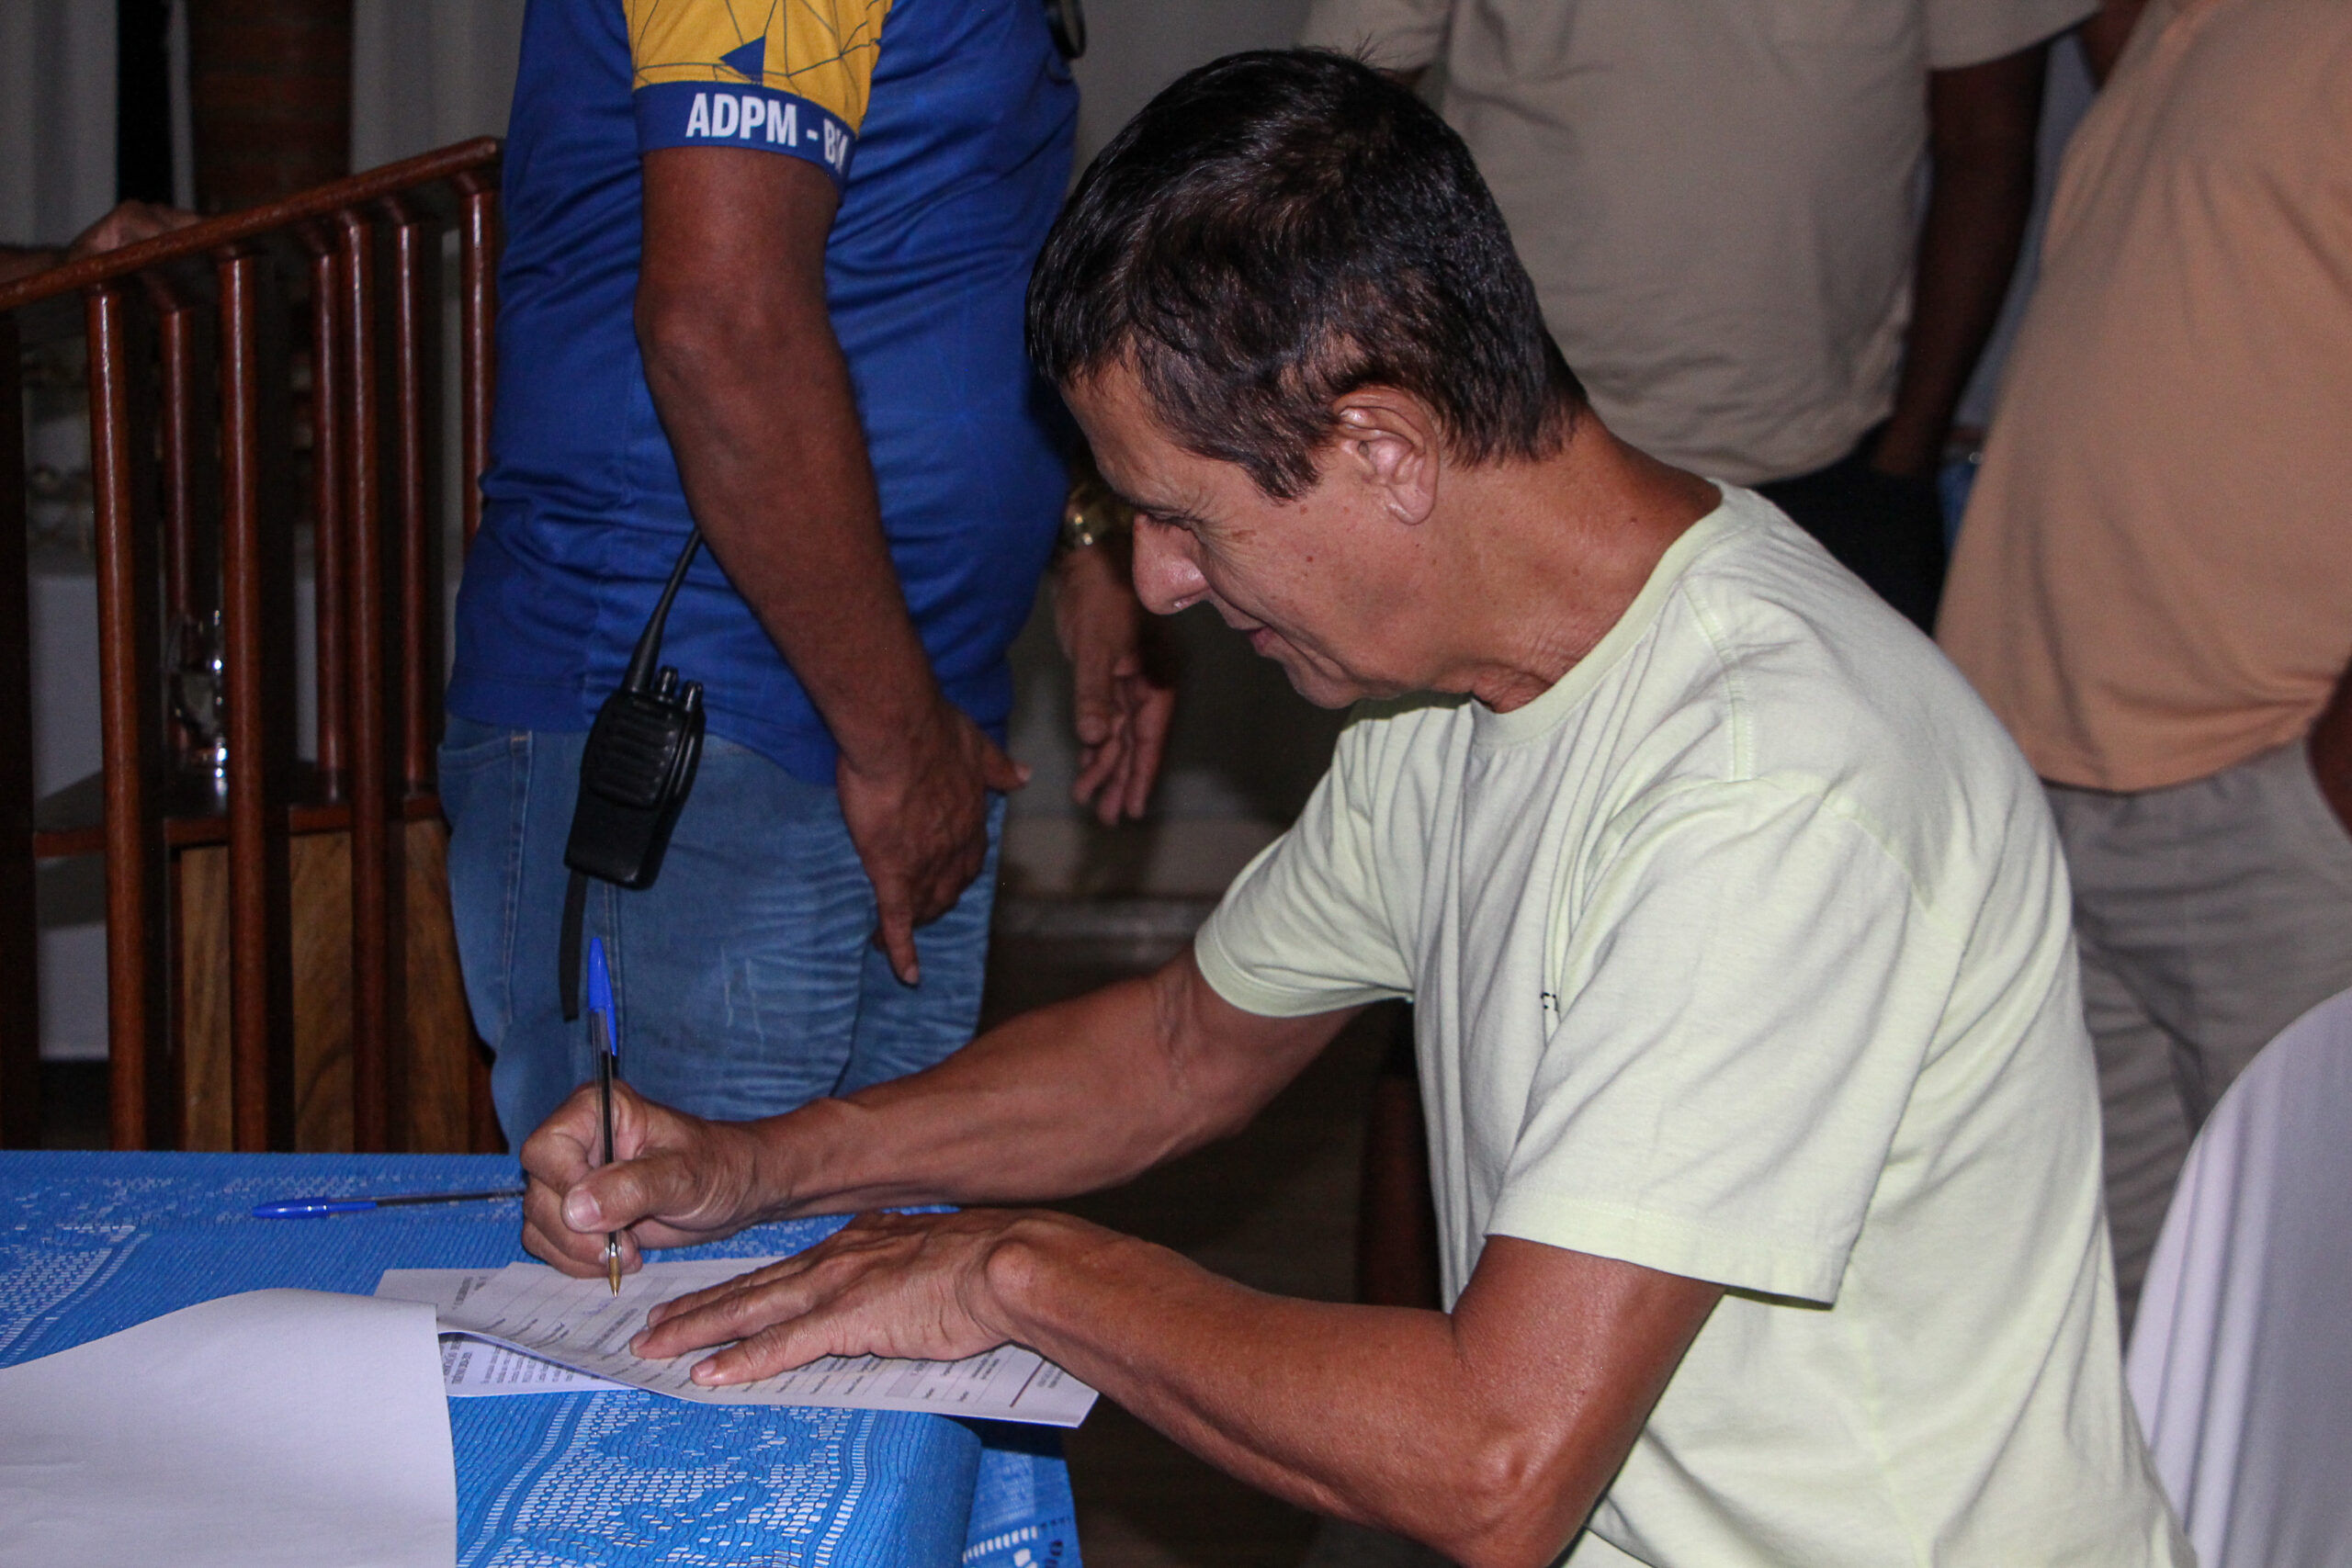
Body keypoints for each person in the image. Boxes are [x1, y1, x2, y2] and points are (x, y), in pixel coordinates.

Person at [518, 54, 2186, 1568]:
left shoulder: (1772, 780)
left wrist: (1018, 1271)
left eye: (1183, 517)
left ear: (1382, 445)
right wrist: (756, 1162)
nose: (1158, 585)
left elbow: (1492, 1461)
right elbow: (1183, 1049)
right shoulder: (1446, 694)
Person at [441, 0, 1171, 1145]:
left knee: (884, 1247)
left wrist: (1079, 527)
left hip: (903, 716)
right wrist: (898, 742)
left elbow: (944, 237)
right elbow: (719, 328)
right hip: (700, 717)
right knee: (680, 1255)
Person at [1937, 0, 2352, 1327]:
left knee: (2305, 1348)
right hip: (2063, 784)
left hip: (2262, 805)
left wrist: (2322, 792)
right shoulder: (2192, 23)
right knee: (2133, 1346)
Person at [1297, 0, 2092, 634]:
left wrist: (1906, 457)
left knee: (1824, 777)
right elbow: (1324, 125)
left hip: (1832, 461)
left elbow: (1987, 142)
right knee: (1487, 781)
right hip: (1510, 447)